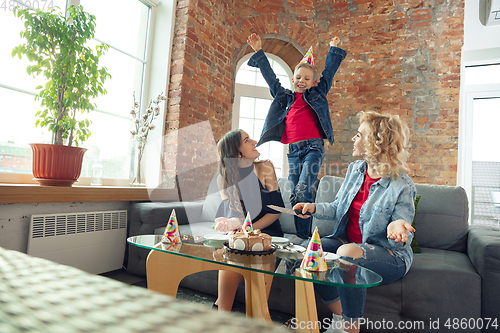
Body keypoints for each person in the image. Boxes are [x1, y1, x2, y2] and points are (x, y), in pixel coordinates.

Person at [294, 111, 416, 333]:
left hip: (389, 254)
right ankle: (339, 317)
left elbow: (402, 233)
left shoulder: (402, 185)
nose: (354, 138)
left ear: (374, 143)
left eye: (359, 135)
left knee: (346, 253)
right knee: (308, 252)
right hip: (348, 243)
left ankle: (351, 328)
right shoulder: (355, 170)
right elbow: (337, 207)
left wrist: (396, 227)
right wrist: (313, 208)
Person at [247, 33, 347, 245]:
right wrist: (258, 50)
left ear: (312, 83)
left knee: (302, 188)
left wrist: (333, 49)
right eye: (298, 77)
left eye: (307, 79)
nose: (302, 81)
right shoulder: (285, 97)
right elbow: (271, 78)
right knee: (297, 191)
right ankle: (303, 235)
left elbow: (328, 74)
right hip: (293, 151)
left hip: (313, 148)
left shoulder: (318, 94)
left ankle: (302, 233)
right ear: (293, 79)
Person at [213, 129, 284, 312]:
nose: (254, 142)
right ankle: (222, 312)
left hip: (267, 234)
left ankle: (257, 315)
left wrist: (250, 232)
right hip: (240, 237)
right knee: (229, 264)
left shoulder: (265, 167)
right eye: (247, 140)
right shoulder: (224, 178)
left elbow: (275, 211)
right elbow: (234, 216)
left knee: (259, 267)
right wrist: (227, 223)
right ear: (238, 153)